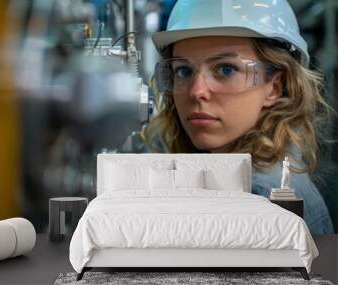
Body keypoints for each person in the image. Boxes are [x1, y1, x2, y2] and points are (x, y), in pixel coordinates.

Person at [143, 0, 334, 234]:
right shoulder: (252, 177)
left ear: (275, 86)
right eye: (184, 71)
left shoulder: (259, 197)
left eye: (226, 69)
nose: (196, 91)